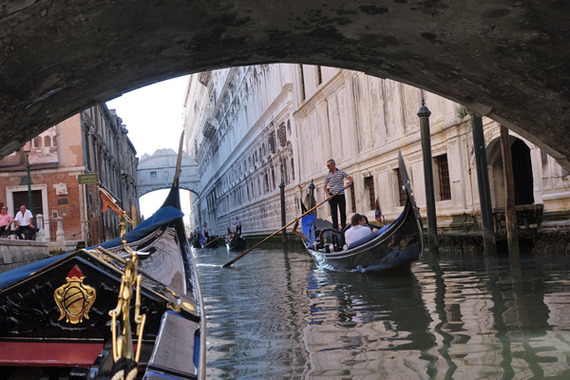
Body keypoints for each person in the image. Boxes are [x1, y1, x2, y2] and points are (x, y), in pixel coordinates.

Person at [323, 159, 353, 230]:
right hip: (332, 195)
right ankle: (335, 228)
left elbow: (350, 178)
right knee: (334, 213)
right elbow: (324, 186)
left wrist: (348, 184)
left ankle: (343, 227)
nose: (328, 167)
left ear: (333, 165)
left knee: (343, 211)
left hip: (341, 194)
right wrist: (328, 195)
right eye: (327, 166)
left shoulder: (341, 172)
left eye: (329, 165)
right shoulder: (327, 175)